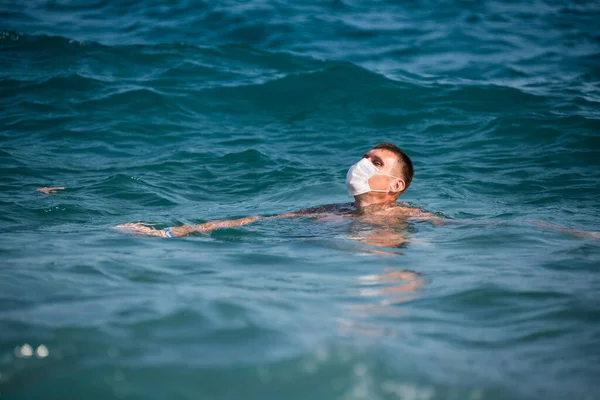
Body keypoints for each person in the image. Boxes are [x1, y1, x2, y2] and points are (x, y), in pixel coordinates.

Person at [114, 142, 440, 238]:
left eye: (377, 163)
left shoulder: (407, 216)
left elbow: (465, 230)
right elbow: (257, 220)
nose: (363, 163)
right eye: (364, 157)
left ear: (397, 185)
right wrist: (171, 233)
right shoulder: (332, 211)